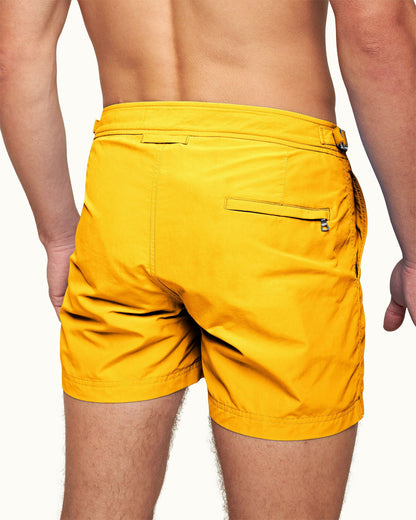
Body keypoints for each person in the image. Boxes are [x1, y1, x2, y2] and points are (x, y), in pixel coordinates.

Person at [0, 0, 415, 518]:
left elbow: (15, 53)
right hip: (273, 192)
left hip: (125, 189)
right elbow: (377, 31)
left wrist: (60, 235)